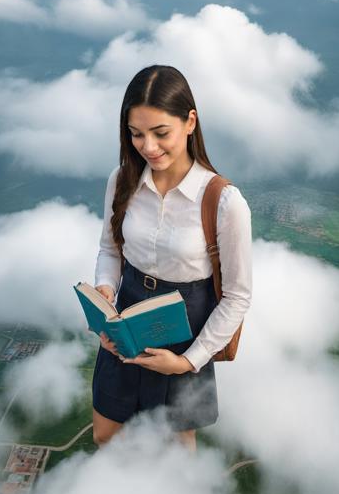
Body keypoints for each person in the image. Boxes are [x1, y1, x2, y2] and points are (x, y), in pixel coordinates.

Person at [92, 65, 252, 451]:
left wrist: (188, 361)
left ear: (190, 121)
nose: (147, 146)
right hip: (126, 321)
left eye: (160, 133)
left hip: (187, 331)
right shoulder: (123, 180)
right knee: (106, 436)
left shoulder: (224, 202)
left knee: (177, 448)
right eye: (136, 134)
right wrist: (103, 297)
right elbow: (110, 250)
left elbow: (237, 296)